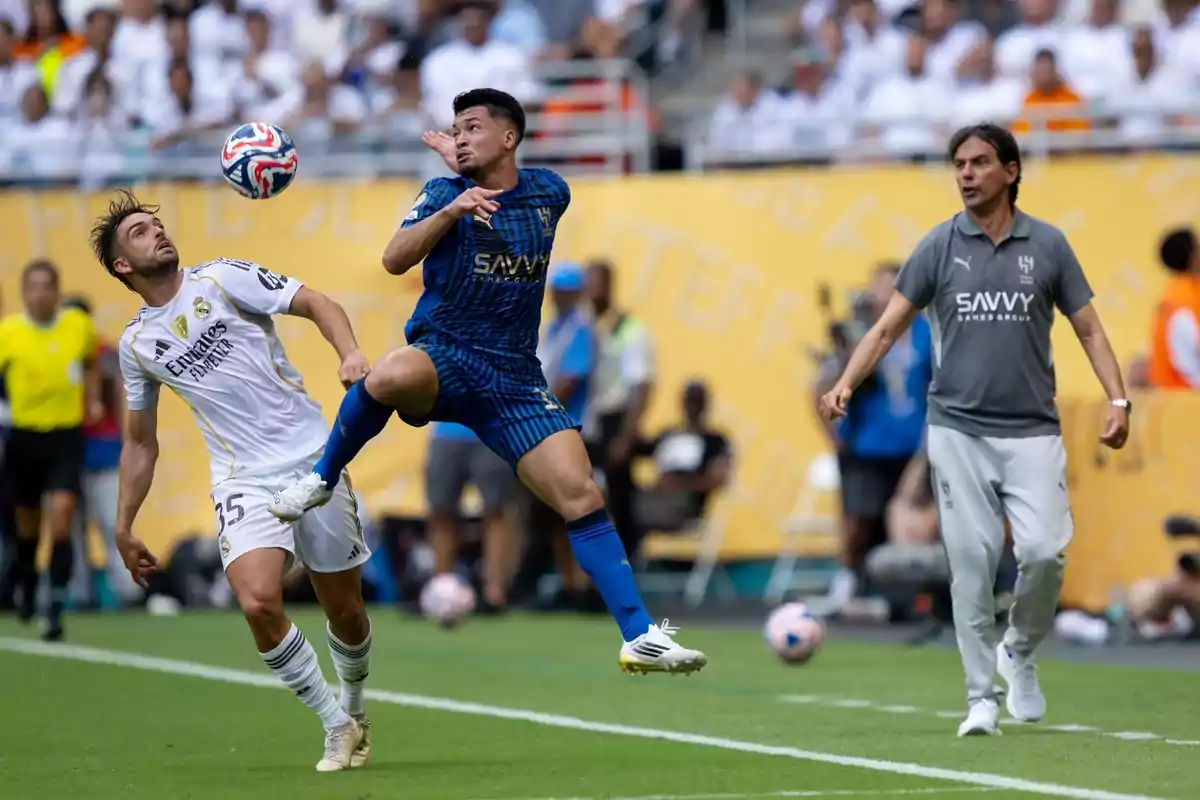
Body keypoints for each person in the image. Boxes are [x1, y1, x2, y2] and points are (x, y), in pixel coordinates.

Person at [269, 88, 706, 675]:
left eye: (473, 126)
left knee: (583, 493)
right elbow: (395, 260)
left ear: (509, 137)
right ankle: (321, 478)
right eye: (456, 128)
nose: (461, 135)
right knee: (393, 371)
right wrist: (451, 205)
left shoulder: (552, 191)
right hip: (447, 354)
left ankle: (639, 636)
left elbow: (520, 197)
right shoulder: (441, 194)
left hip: (514, 376)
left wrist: (482, 180)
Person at [820, 123, 1130, 737]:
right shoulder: (938, 246)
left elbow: (1089, 329)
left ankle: (1018, 651)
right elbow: (884, 329)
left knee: (1043, 553)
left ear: (1010, 171)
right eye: (959, 163)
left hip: (1032, 430)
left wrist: (1117, 398)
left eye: (980, 162)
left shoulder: (1049, 246)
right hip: (956, 429)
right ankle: (980, 697)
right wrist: (846, 384)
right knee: (971, 560)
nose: (966, 173)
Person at [89, 191, 375, 772]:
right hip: (243, 479)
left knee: (344, 610)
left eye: (157, 225)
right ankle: (334, 724)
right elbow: (141, 442)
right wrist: (122, 525)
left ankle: (355, 704)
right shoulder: (138, 344)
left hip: (315, 461)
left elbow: (317, 301)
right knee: (258, 600)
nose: (158, 234)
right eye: (140, 232)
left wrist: (350, 356)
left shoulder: (223, 279)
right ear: (123, 266)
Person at [818, 264, 932, 616]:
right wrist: (834, 436)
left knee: (902, 521)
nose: (884, 297)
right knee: (858, 520)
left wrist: (929, 447)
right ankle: (846, 583)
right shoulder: (858, 333)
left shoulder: (927, 334)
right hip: (865, 444)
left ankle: (901, 596)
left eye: (893, 289)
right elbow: (823, 385)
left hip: (911, 446)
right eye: (880, 289)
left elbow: (938, 388)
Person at [0, 260, 102, 641]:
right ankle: (26, 583)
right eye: (33, 287)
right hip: (23, 438)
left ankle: (56, 601)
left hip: (65, 437)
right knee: (28, 528)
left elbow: (91, 363)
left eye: (47, 286)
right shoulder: (8, 332)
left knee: (62, 518)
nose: (40, 293)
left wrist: (92, 399)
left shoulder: (77, 325)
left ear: (57, 291)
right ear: (24, 292)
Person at [61, 295, 140, 609]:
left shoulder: (104, 351)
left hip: (103, 450)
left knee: (111, 522)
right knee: (71, 526)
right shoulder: (59, 353)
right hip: (67, 451)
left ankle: (127, 591)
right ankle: (79, 593)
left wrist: (125, 444)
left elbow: (119, 401)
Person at [423, 420, 518, 612]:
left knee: (496, 510)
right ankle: (441, 591)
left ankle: (494, 595)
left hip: (494, 430)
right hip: (445, 430)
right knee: (441, 512)